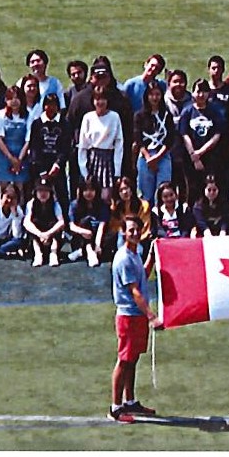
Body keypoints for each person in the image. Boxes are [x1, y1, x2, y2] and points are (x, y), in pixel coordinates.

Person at [108, 214, 160, 422]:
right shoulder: (124, 258)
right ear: (123, 232)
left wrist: (151, 257)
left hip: (136, 316)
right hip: (129, 316)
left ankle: (129, 401)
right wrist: (151, 316)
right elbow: (135, 291)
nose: (135, 233)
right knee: (124, 360)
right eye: (131, 230)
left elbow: (141, 278)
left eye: (138, 229)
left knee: (133, 358)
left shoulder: (135, 253)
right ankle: (115, 408)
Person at [177, 80, 228, 204]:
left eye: (204, 91)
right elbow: (184, 134)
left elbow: (217, 134)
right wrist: (194, 156)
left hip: (211, 158)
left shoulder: (215, 111)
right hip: (190, 159)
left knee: (210, 189)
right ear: (193, 93)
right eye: (198, 91)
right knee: (192, 190)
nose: (201, 95)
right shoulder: (187, 111)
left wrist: (201, 152)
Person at [134, 80, 175, 204]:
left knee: (163, 191)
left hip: (163, 156)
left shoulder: (167, 115)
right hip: (145, 157)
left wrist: (157, 157)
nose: (155, 98)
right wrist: (149, 158)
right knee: (146, 195)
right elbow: (138, 139)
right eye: (151, 95)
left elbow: (170, 139)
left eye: (157, 94)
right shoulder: (139, 115)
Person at [0, 86, 34, 195]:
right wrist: (11, 158)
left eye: (17, 98)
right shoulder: (1, 115)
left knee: (19, 188)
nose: (14, 101)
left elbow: (28, 139)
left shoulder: (28, 115)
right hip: (4, 155)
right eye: (11, 98)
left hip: (21, 154)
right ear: (6, 100)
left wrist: (19, 159)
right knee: (4, 187)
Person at [68, 176, 111, 267]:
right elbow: (71, 226)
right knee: (86, 222)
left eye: (91, 190)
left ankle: (83, 251)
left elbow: (102, 226)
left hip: (98, 235)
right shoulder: (75, 204)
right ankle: (89, 252)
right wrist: (83, 231)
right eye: (85, 190)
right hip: (81, 235)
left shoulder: (103, 205)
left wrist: (97, 244)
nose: (88, 193)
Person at [22, 179, 66, 267]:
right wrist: (40, 234)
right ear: (35, 192)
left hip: (51, 236)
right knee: (33, 224)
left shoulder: (55, 204)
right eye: (40, 190)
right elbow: (26, 222)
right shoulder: (31, 204)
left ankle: (53, 254)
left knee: (55, 225)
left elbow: (61, 222)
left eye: (46, 191)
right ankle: (38, 254)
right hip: (38, 236)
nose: (43, 193)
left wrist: (48, 234)